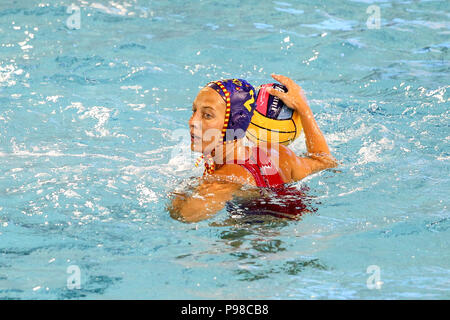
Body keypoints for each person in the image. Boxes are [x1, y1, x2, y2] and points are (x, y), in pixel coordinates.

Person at [168, 74, 338, 222]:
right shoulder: (276, 152)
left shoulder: (223, 180)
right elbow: (324, 161)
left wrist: (181, 189)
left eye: (207, 115)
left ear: (233, 122)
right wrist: (303, 106)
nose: (192, 121)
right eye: (194, 111)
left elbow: (183, 216)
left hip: (257, 247)